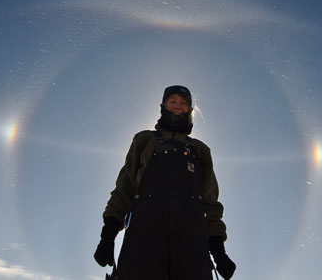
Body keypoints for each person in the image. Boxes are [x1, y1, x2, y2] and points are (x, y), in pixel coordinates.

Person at [94, 85, 236, 280]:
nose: (178, 106)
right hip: (144, 237)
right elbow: (124, 188)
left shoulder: (200, 150)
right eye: (173, 101)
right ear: (163, 105)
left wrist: (219, 252)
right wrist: (108, 235)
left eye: (183, 103)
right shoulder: (144, 140)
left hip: (192, 242)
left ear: (190, 109)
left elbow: (210, 203)